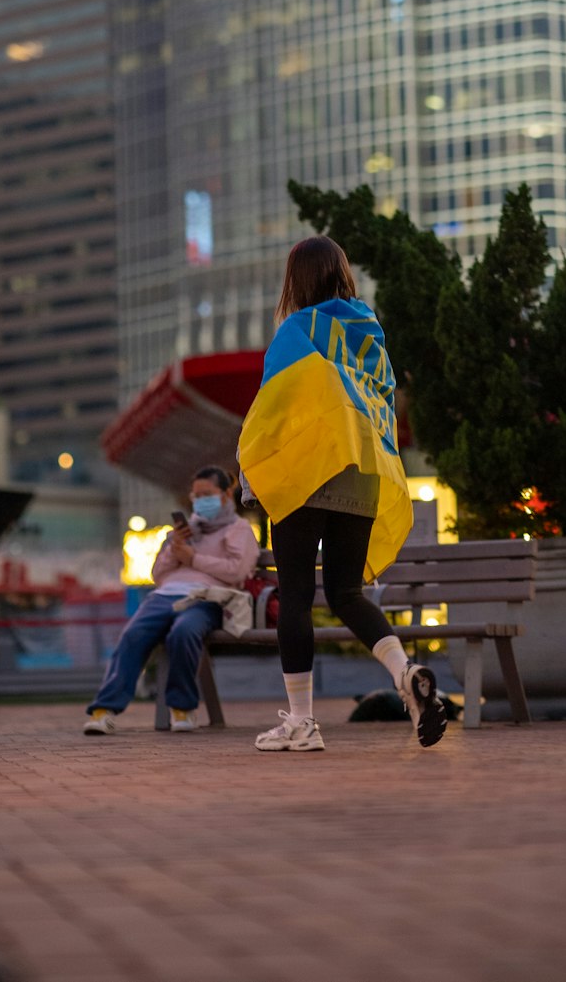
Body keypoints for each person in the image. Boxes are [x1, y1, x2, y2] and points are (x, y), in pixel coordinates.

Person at [238, 235, 447, 752]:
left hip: (309, 469)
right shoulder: (369, 332)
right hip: (362, 471)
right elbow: (383, 403)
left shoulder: (298, 329)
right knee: (347, 592)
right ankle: (405, 673)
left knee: (296, 597)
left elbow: (274, 408)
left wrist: (252, 473)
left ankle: (302, 724)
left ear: (297, 280)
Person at [84, 465, 259, 734]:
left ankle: (182, 708)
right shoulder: (185, 530)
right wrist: (174, 548)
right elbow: (159, 575)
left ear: (226, 494)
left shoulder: (239, 530)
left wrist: (193, 559)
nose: (201, 501)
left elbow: (236, 572)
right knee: (134, 634)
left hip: (208, 599)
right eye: (196, 495)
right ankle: (104, 710)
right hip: (165, 596)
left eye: (208, 494)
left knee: (184, 632)